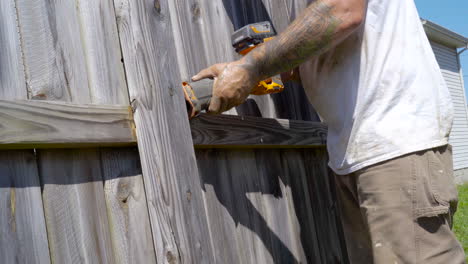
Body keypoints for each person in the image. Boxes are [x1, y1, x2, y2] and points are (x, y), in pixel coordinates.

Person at [192, 0, 466, 263]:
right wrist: (243, 73)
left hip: (395, 142)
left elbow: (343, 10)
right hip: (358, 149)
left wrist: (250, 68)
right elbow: (308, 59)